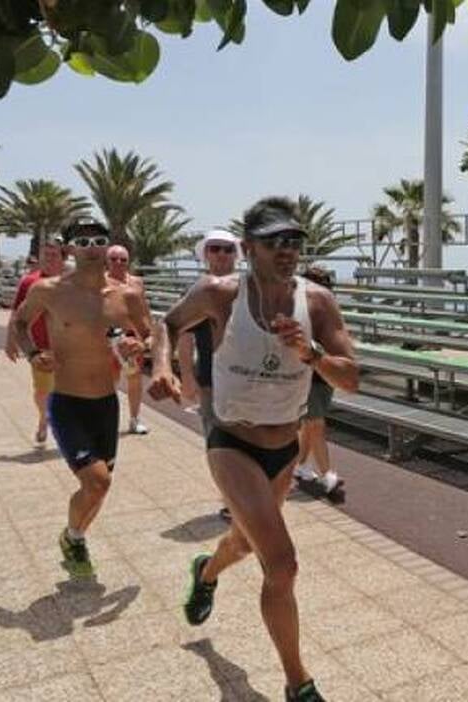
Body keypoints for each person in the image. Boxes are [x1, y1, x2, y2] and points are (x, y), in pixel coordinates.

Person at [149, 197, 358, 702]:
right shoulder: (219, 294)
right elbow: (169, 324)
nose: (286, 250)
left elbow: (350, 378)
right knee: (282, 563)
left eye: (294, 241)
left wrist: (309, 354)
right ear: (249, 248)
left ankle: (206, 571)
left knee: (244, 544)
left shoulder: (319, 303)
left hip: (283, 447)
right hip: (232, 440)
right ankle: (297, 682)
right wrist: (162, 367)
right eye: (274, 241)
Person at [11, 217, 152, 579]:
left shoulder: (128, 295)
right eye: (83, 241)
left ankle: (75, 536)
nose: (91, 247)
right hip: (68, 403)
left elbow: (152, 334)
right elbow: (20, 323)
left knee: (99, 488)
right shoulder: (49, 290)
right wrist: (32, 354)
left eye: (98, 240)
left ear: (109, 245)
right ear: (70, 248)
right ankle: (73, 538)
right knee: (97, 482)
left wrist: (142, 346)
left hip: (106, 404)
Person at [175, 229, 241, 521]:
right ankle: (231, 500)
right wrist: (186, 375)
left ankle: (248, 497)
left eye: (228, 249)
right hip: (212, 382)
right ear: (206, 254)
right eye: (216, 249)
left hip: (248, 382)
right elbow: (184, 336)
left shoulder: (250, 289)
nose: (222, 255)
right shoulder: (195, 292)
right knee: (219, 444)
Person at [7, 238, 67, 445]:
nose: (49, 259)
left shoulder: (72, 282)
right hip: (39, 346)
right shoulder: (29, 282)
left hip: (67, 347)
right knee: (42, 390)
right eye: (45, 255)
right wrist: (10, 339)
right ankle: (43, 419)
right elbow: (16, 313)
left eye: (54, 255)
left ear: (63, 258)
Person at [291, 265, 343, 501]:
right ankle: (326, 474)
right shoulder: (297, 311)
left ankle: (300, 465)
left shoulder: (330, 310)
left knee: (310, 425)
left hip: (326, 373)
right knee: (316, 423)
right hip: (306, 374)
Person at [106, 244, 151, 434]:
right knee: (110, 382)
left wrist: (149, 336)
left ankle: (134, 419)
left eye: (123, 259)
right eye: (114, 259)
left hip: (133, 339)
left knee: (134, 379)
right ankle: (106, 421)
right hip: (109, 338)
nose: (118, 263)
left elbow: (144, 309)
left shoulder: (137, 283)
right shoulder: (100, 282)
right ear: (107, 261)